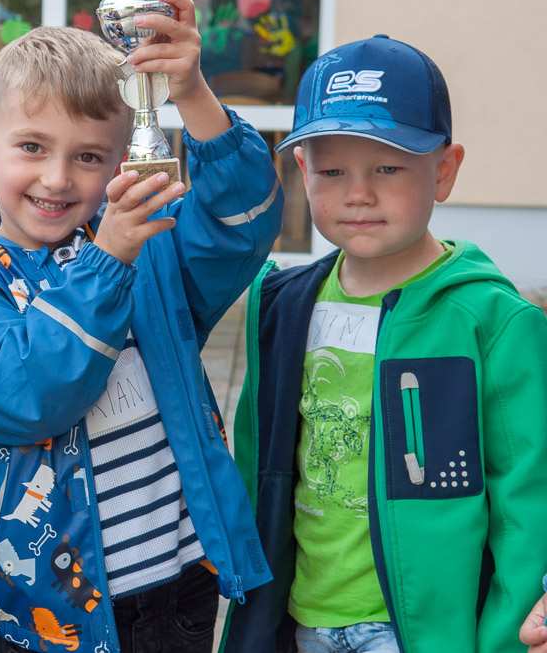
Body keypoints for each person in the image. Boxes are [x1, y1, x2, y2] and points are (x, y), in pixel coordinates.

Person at [0, 19, 283, 652]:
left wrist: (193, 94)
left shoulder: (148, 249)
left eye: (88, 157)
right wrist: (107, 261)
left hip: (180, 585)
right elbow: (24, 398)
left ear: (121, 162)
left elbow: (242, 223)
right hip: (52, 609)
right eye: (32, 147)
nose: (57, 178)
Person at [219, 35, 547, 653]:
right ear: (302, 172)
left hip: (419, 635)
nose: (358, 194)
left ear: (444, 170)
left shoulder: (491, 321)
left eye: (388, 168)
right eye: (332, 171)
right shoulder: (282, 307)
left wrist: (506, 639)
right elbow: (259, 467)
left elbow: (529, 503)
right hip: (303, 620)